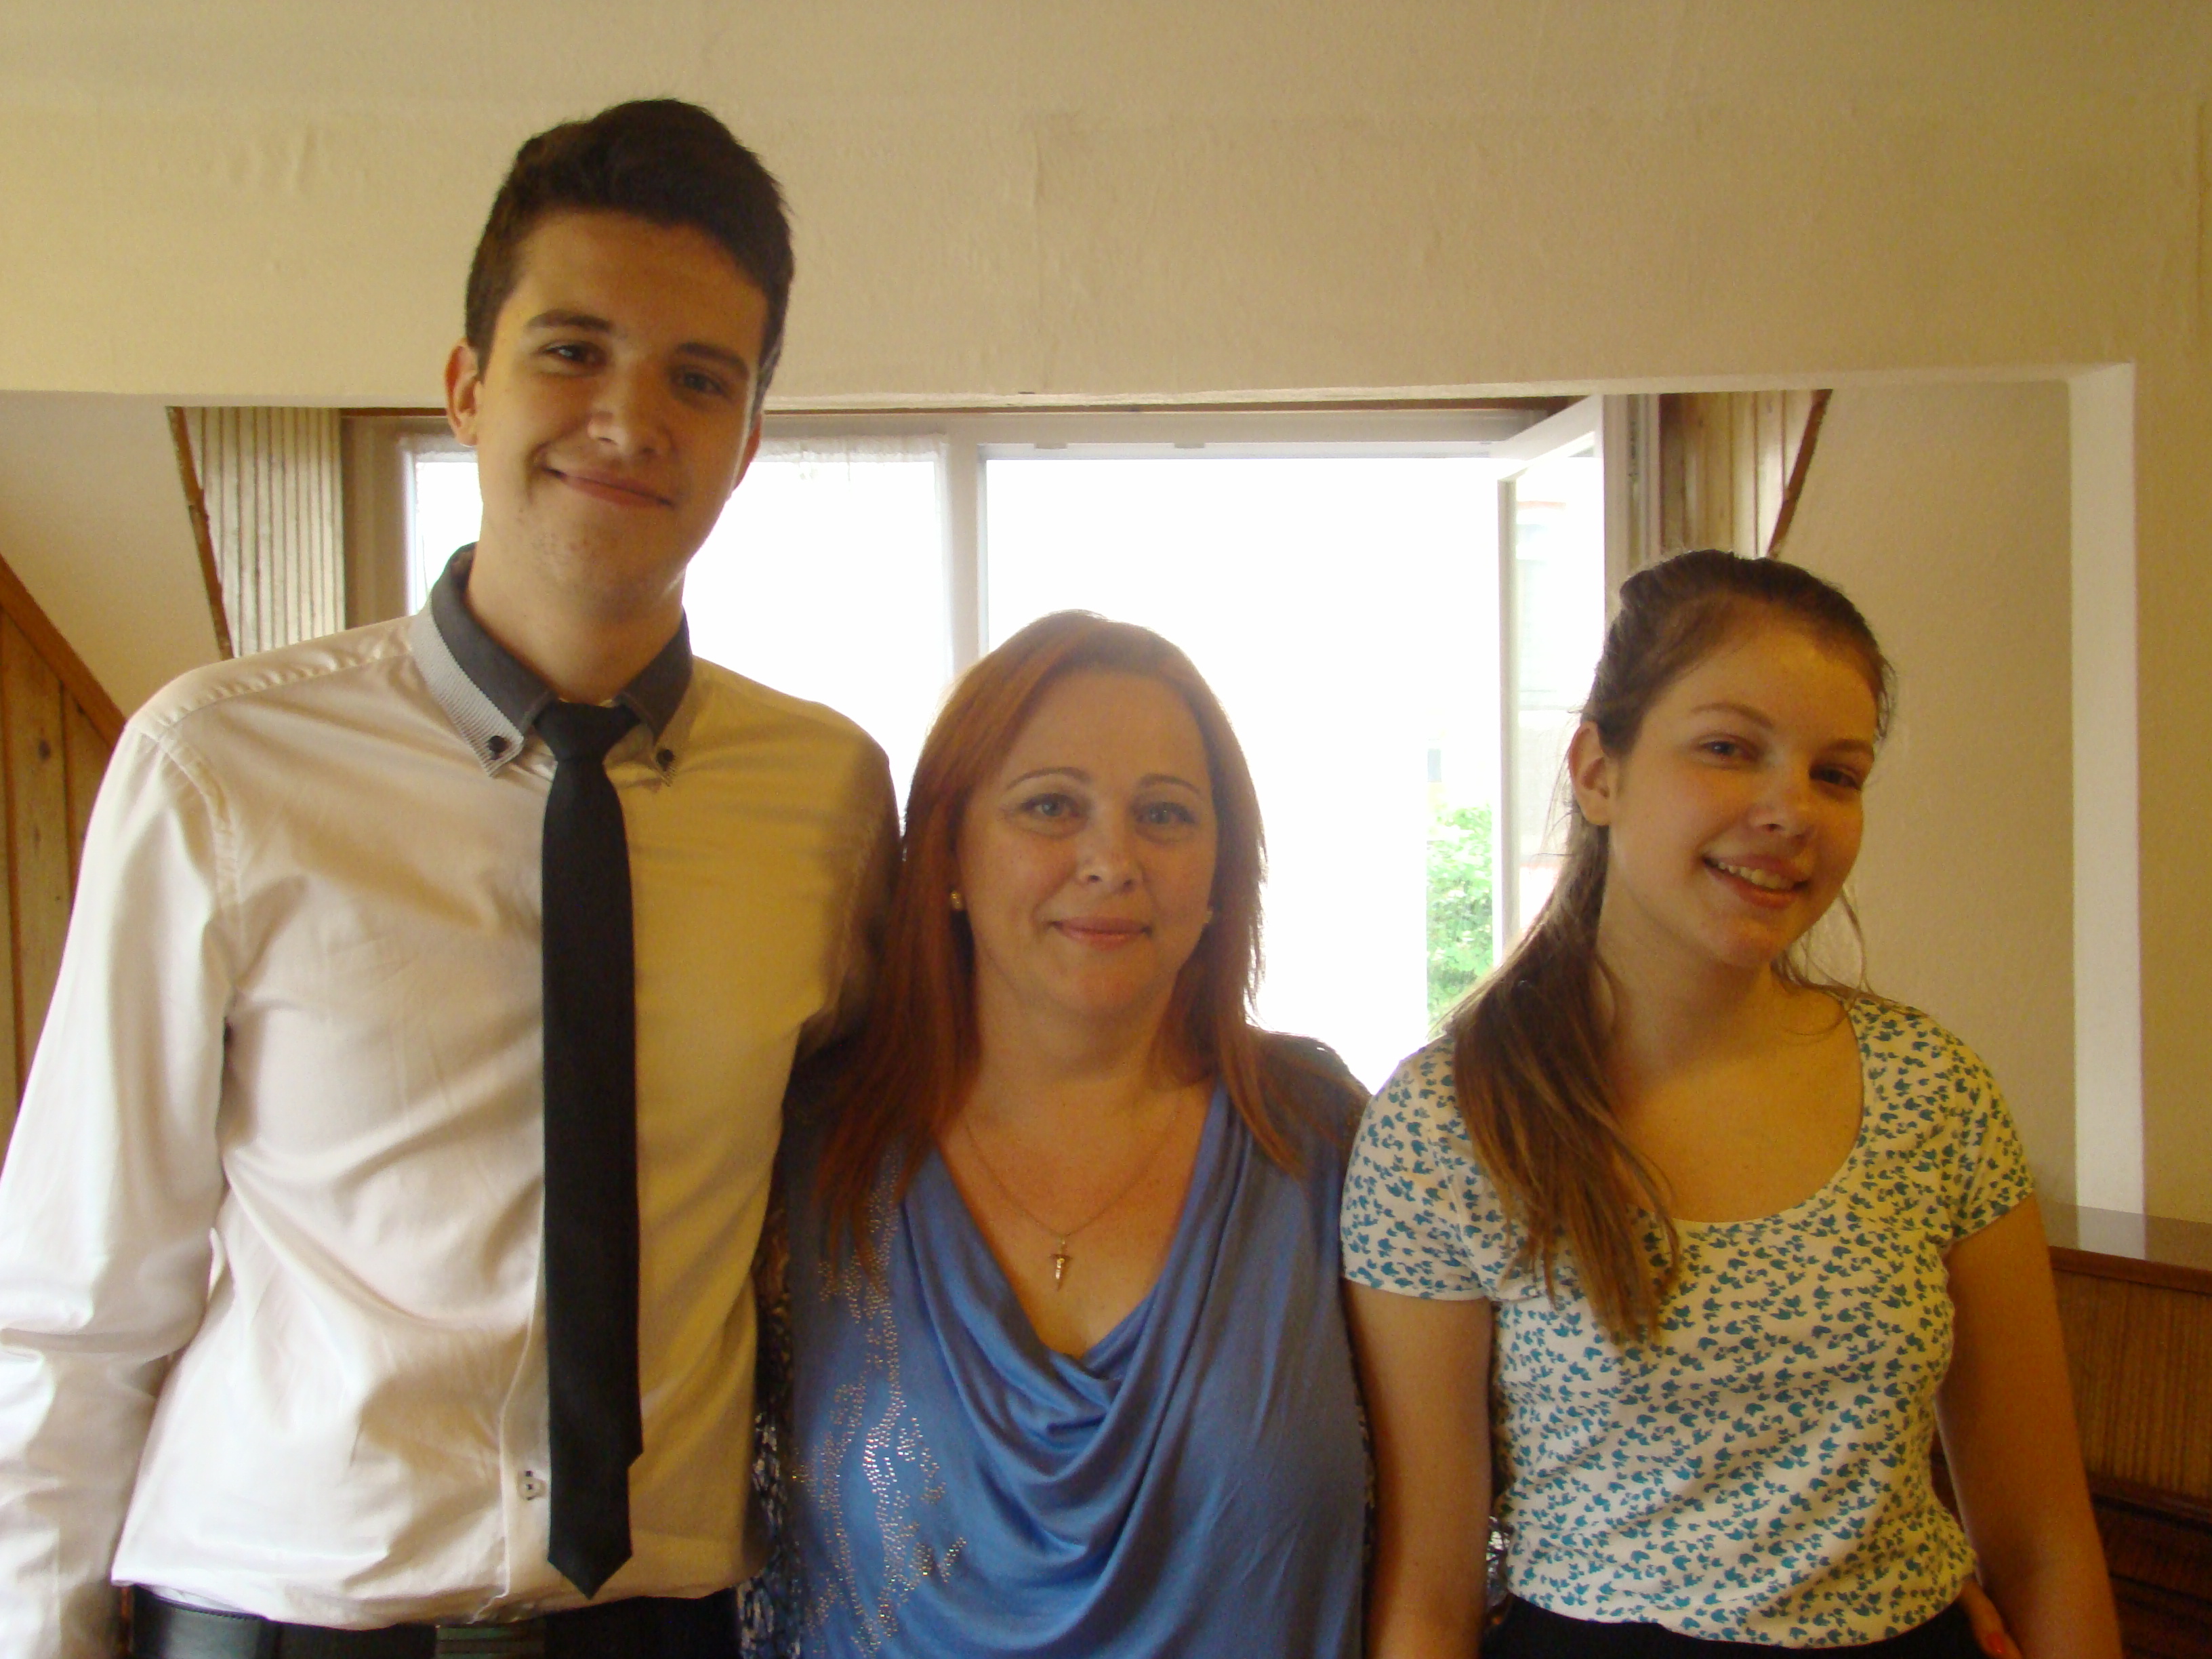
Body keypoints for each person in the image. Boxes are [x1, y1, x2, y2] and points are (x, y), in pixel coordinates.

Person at [0, 100, 894, 1658]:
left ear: (750, 442)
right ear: (469, 387)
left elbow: (859, 1192)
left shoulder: (824, 800)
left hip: (657, 1626)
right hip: (280, 1612)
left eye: (700, 378)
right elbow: (77, 1301)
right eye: (573, 350)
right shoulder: (220, 767)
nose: (631, 417)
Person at [1343, 550, 2121, 1658]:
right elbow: (1429, 1589)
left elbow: (2044, 1544)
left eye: (1836, 774)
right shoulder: (1448, 1124)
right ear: (1598, 771)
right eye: (1728, 749)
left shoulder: (1932, 1090)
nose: (1790, 811)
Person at [771, 611, 1369, 1657]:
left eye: (1166, 815)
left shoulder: (1326, 1140)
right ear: (950, 852)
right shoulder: (808, 1147)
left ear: (1221, 871)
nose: (1111, 860)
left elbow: (1446, 1545)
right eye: (1051, 806)